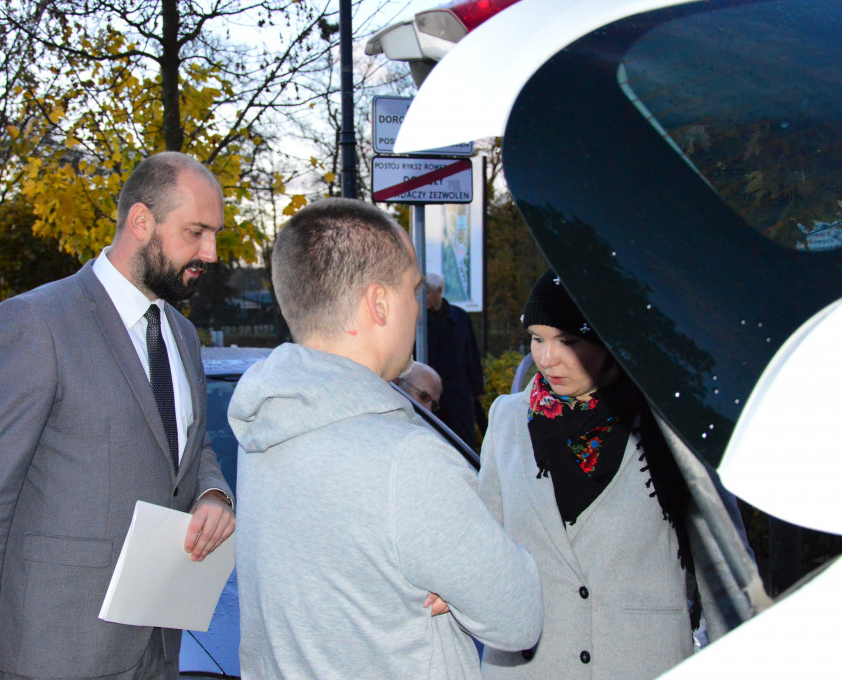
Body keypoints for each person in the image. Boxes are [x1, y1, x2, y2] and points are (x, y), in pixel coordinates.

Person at [0, 152, 236, 680]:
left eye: (214, 234)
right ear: (141, 222)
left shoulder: (182, 335)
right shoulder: (36, 322)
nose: (210, 252)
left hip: (158, 647)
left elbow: (190, 446)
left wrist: (212, 492)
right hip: (56, 653)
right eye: (196, 232)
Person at [229, 198, 543, 680]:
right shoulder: (407, 459)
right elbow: (519, 616)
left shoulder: (264, 424)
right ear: (378, 303)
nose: (417, 308)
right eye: (412, 290)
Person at [478, 269, 701, 679]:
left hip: (645, 662)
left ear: (607, 338)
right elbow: (484, 546)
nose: (546, 359)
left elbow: (721, 566)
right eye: (537, 339)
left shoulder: (671, 426)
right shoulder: (507, 419)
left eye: (568, 341)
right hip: (531, 667)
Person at [426, 272, 486, 448]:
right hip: (431, 393)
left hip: (458, 391)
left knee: (463, 441)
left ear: (439, 291)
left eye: (428, 292)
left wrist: (477, 390)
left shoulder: (460, 317)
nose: (424, 297)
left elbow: (471, 355)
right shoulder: (418, 320)